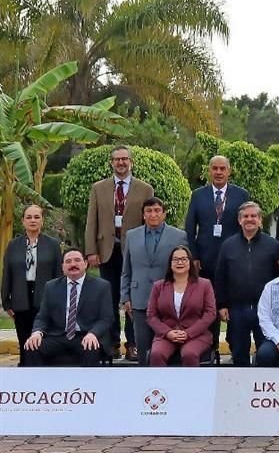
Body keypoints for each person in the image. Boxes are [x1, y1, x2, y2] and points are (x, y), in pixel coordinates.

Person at [84, 145, 154, 360]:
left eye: (125, 159)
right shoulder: (99, 188)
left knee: (134, 297)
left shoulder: (145, 189)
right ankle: (112, 342)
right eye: (117, 159)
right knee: (109, 297)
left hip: (135, 252)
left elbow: (150, 221)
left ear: (131, 162)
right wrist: (91, 251)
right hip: (107, 250)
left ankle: (133, 344)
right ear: (111, 163)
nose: (121, 163)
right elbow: (91, 221)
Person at [184, 155, 250, 351]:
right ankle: (209, 345)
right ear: (209, 171)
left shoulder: (241, 195)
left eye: (223, 168)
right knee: (207, 304)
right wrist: (193, 256)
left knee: (232, 302)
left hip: (233, 259)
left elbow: (245, 225)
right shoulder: (198, 195)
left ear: (229, 171)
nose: (219, 172)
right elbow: (189, 228)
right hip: (205, 261)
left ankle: (234, 343)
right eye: (215, 168)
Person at [120, 197, 189, 364]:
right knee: (142, 345)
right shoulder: (132, 235)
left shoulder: (178, 236)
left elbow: (185, 268)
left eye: (157, 211)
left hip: (168, 299)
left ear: (164, 213)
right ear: (143, 215)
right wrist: (125, 296)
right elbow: (126, 268)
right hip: (139, 298)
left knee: (167, 345)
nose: (153, 215)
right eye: (149, 211)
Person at [214, 201, 279, 366]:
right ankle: (241, 390)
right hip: (237, 309)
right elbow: (220, 277)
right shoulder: (228, 245)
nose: (249, 219)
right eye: (246, 216)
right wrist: (222, 305)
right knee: (238, 352)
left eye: (253, 216)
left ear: (260, 220)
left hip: (265, 310)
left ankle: (262, 389)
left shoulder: (273, 245)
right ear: (239, 220)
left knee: (266, 353)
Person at [23, 248, 113, 367]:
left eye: (77, 260)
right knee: (32, 347)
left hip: (86, 335)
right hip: (59, 335)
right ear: (63, 266)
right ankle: (40, 385)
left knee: (91, 348)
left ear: (85, 264)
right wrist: (36, 333)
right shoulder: (51, 287)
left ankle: (88, 385)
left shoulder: (101, 286)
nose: (73, 264)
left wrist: (93, 333)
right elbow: (43, 317)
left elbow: (106, 318)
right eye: (68, 261)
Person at [2, 205, 62, 365]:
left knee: (42, 339)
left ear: (42, 221)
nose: (33, 220)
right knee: (24, 339)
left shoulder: (53, 245)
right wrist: (6, 300)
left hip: (45, 297)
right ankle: (25, 370)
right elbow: (7, 273)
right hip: (21, 296)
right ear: (23, 221)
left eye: (36, 217)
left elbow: (59, 274)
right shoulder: (13, 245)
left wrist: (60, 299)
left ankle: (43, 371)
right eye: (29, 217)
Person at [145, 246, 217, 367]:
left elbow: (210, 313)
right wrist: (168, 332)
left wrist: (188, 333)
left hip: (196, 335)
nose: (180, 262)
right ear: (170, 263)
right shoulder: (158, 286)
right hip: (166, 335)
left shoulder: (204, 284)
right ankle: (161, 385)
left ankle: (190, 386)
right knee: (156, 354)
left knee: (189, 354)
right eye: (176, 259)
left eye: (184, 259)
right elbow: (151, 316)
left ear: (190, 262)